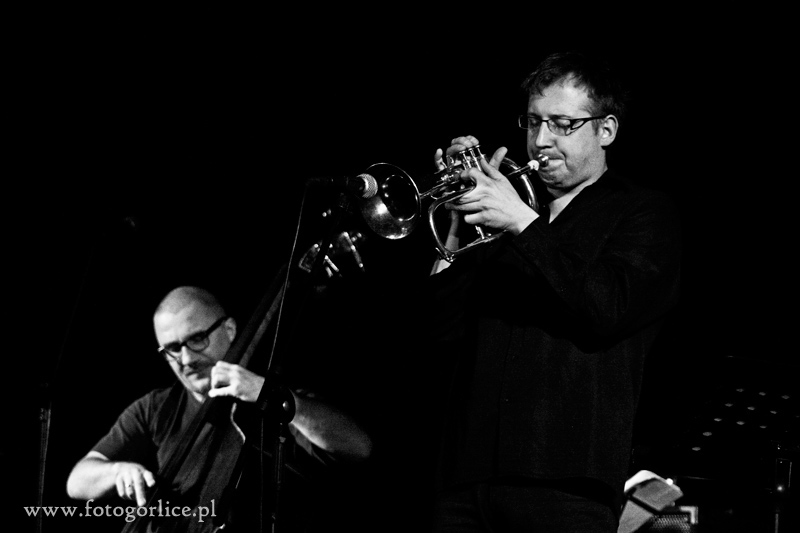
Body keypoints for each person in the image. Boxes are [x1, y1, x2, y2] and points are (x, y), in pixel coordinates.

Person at [424, 51, 681, 532]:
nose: (541, 140)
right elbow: (437, 335)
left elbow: (606, 308)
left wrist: (522, 222)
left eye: (563, 124)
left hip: (565, 485)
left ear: (606, 130)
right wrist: (458, 223)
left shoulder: (643, 213)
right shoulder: (508, 217)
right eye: (534, 122)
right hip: (464, 481)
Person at [66, 285, 373, 532]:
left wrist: (269, 395)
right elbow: (77, 481)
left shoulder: (272, 396)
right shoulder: (154, 407)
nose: (187, 360)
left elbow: (358, 447)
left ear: (229, 329)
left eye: (198, 339)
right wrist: (117, 471)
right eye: (173, 349)